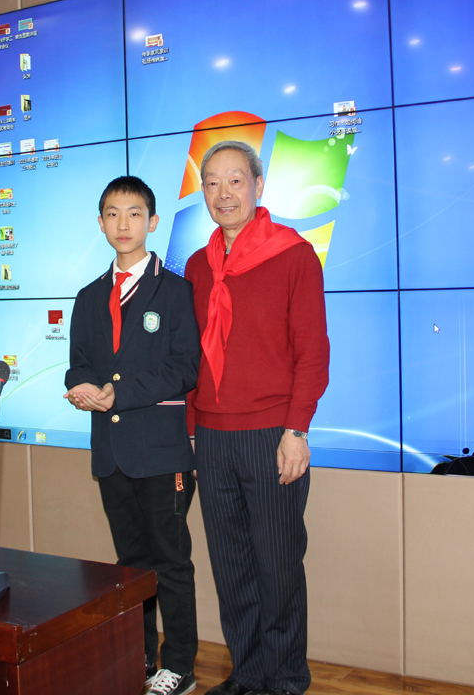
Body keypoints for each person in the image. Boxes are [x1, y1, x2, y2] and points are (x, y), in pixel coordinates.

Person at [185, 140, 330, 695]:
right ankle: (247, 676)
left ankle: (286, 680)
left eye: (235, 180)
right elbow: (192, 358)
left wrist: (297, 430)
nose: (224, 193)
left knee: (278, 567)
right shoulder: (197, 266)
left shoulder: (294, 255)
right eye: (212, 183)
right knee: (232, 568)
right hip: (212, 438)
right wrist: (191, 431)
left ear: (258, 186)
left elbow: (312, 352)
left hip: (272, 436)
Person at [64, 175, 202, 695]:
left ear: (153, 222)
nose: (123, 224)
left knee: (171, 563)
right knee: (131, 566)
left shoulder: (175, 291)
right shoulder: (88, 296)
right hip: (112, 453)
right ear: (100, 224)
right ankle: (140, 659)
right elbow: (78, 363)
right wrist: (81, 387)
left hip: (161, 455)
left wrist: (116, 393)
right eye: (113, 214)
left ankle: (180, 665)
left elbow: (184, 369)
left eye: (135, 213)